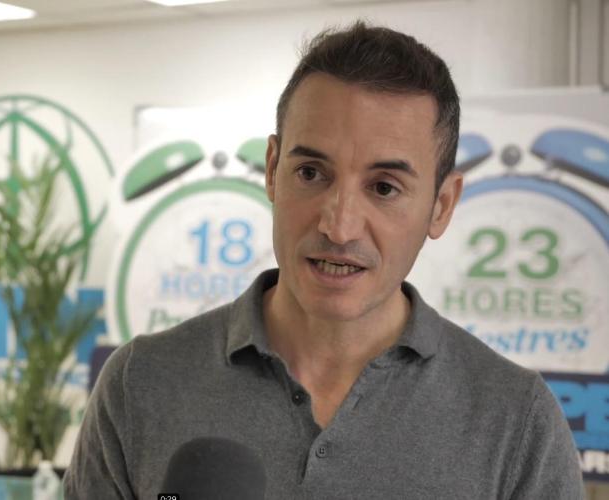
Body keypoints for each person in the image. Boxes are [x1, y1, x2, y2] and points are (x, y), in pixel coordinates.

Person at [64, 21, 584, 499]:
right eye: (311, 173)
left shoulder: (517, 421)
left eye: (384, 187)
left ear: (442, 205)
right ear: (272, 170)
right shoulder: (141, 382)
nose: (339, 226)